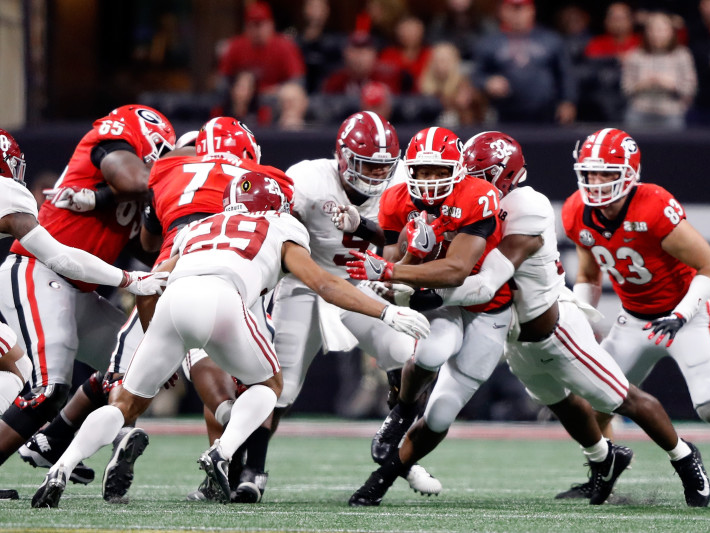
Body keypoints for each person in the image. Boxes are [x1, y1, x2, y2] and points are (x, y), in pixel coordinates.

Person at [30, 171, 430, 508]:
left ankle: (62, 466)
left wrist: (157, 339)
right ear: (277, 205)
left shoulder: (199, 227)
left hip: (175, 300)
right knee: (271, 385)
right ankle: (221, 453)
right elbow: (324, 284)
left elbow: (149, 285)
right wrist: (387, 311)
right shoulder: (282, 226)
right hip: (222, 299)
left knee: (127, 402)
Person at [419, 131, 710, 506]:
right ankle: (603, 463)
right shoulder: (471, 205)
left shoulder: (525, 206)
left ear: (505, 174)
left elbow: (483, 285)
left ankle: (685, 458)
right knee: (559, 402)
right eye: (467, 174)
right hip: (518, 336)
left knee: (621, 398)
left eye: (482, 174)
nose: (472, 183)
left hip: (556, 327)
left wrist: (419, 292)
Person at [17, 118, 279, 503]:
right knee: (259, 386)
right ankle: (233, 463)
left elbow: (149, 240)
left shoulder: (171, 171)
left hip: (169, 279)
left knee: (121, 386)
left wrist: (98, 199)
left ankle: (61, 454)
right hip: (227, 288)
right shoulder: (260, 182)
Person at [560, 128, 710, 497]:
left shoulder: (652, 206)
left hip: (684, 316)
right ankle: (605, 473)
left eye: (607, 173)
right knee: (595, 403)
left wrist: (681, 315)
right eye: (590, 173)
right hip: (633, 319)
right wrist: (581, 319)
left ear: (630, 173)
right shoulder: (576, 210)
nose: (597, 183)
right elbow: (588, 274)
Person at [264, 111, 442, 498]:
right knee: (282, 385)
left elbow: (400, 242)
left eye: (382, 167)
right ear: (342, 156)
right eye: (365, 165)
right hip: (305, 279)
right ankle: (250, 468)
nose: (375, 176)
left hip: (364, 280)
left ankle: (400, 451)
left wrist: (369, 235)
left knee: (406, 354)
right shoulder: (309, 180)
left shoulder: (401, 185)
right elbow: (276, 234)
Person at [0, 106, 174, 475]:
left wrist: (101, 199)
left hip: (79, 289)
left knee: (139, 366)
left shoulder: (139, 196)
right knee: (47, 388)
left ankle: (52, 441)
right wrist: (128, 279)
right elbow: (62, 256)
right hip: (38, 271)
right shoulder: (115, 152)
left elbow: (146, 247)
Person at [345, 126, 514, 506]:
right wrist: (404, 259)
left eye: (440, 171)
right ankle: (401, 412)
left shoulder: (480, 196)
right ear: (410, 169)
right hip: (438, 300)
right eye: (422, 170)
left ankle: (381, 477)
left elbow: (457, 269)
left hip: (486, 305)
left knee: (440, 414)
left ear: (458, 169)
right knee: (429, 354)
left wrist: (393, 272)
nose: (430, 179)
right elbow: (391, 271)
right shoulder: (396, 197)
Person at [471, 0, 577, 125]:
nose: (517, 14)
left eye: (522, 8)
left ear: (532, 10)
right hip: (505, 114)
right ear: (502, 11)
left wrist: (568, 101)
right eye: (512, 9)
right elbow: (476, 75)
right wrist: (487, 82)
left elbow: (566, 74)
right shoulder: (489, 42)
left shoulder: (551, 39)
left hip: (546, 113)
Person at [215, 2, 308, 127]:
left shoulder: (284, 46)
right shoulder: (237, 46)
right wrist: (238, 89)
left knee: (291, 93)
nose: (257, 30)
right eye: (253, 25)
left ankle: (289, 132)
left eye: (261, 25)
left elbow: (298, 82)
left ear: (271, 25)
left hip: (273, 99)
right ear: (246, 27)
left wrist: (274, 90)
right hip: (244, 99)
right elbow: (223, 81)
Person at [621, 11, 697, 130]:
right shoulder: (635, 55)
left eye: (662, 30)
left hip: (671, 114)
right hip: (639, 113)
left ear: (671, 32)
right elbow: (625, 89)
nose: (657, 34)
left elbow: (690, 89)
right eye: (653, 30)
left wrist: (670, 84)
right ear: (646, 33)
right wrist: (643, 84)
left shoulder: (682, 55)